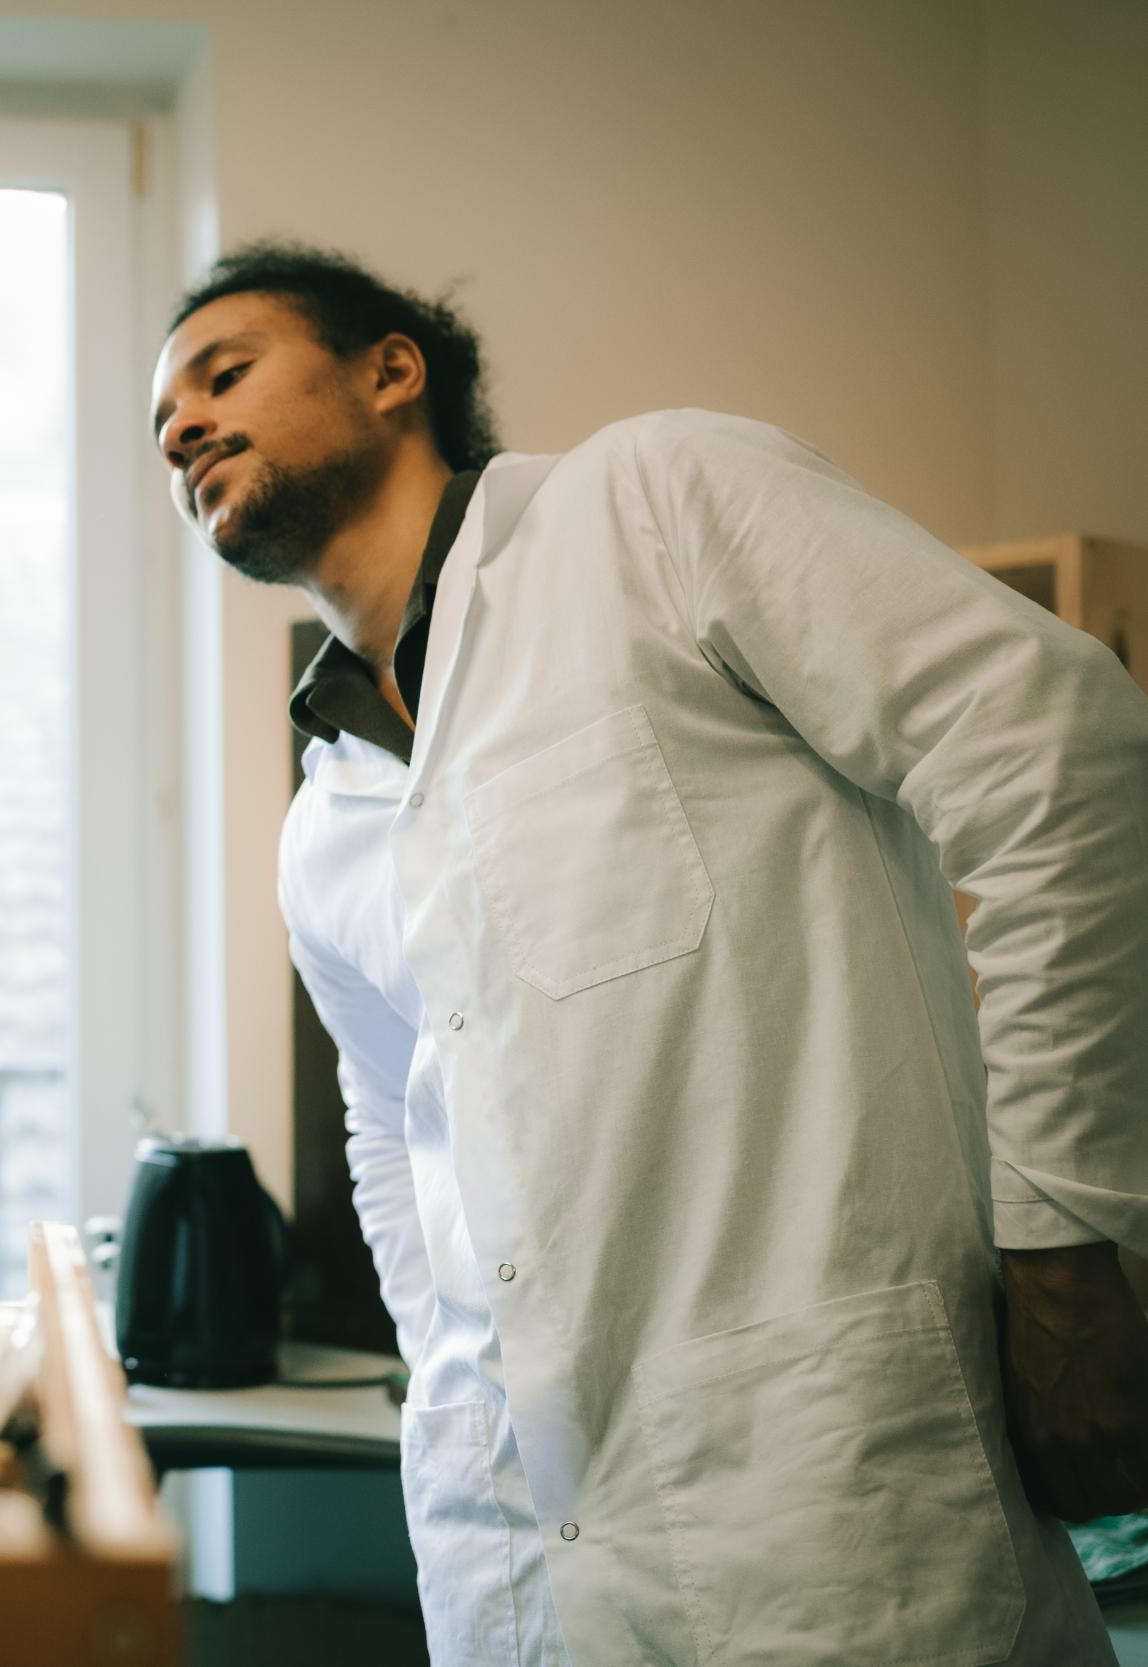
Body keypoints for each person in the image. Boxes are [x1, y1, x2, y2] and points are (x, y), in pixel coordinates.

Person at [149, 240, 1148, 1665]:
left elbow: (1055, 749)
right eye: (160, 423)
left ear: (392, 369)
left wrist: (1062, 1247)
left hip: (831, 1496)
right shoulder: (326, 816)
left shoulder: (655, 505)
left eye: (221, 371)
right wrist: (452, 1385)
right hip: (514, 1549)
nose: (180, 425)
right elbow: (393, 1135)